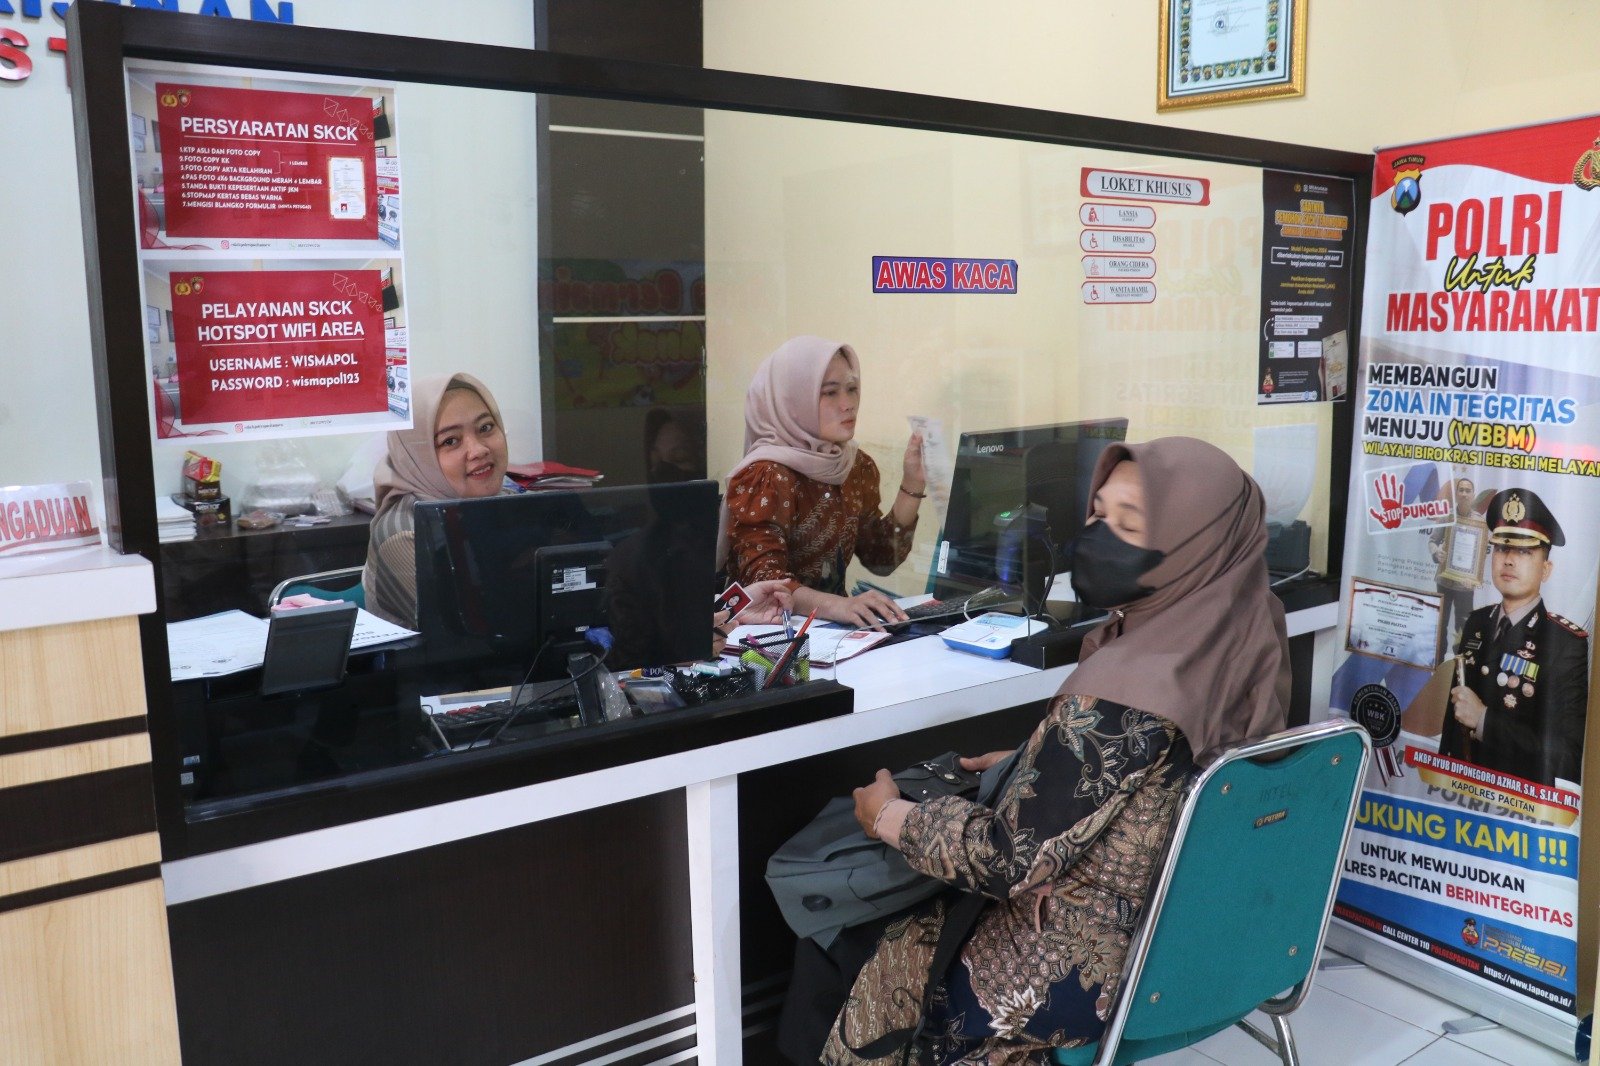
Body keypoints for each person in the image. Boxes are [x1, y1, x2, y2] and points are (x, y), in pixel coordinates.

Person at [791, 437, 1291, 1065]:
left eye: (1130, 522)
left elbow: (1005, 860)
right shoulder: (1245, 628)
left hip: (1084, 969)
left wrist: (889, 816)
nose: (1099, 535)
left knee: (858, 927)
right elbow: (1159, 775)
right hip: (1200, 935)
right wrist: (1042, 759)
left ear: (1197, 543)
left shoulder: (1132, 690)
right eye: (1098, 512)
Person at [724, 336, 926, 629]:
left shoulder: (854, 466)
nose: (848, 405)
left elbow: (880, 557)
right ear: (793, 401)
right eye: (830, 393)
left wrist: (913, 483)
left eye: (852, 389)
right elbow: (766, 581)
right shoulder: (767, 475)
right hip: (769, 635)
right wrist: (840, 605)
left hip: (834, 633)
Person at [1442, 487, 1588, 786]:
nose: (1508, 560)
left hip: (1518, 804)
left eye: (1524, 551)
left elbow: (1566, 755)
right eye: (1501, 548)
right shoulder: (1477, 622)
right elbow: (1453, 723)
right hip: (1459, 794)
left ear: (1546, 569)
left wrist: (1484, 720)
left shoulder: (1565, 644)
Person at [363, 373, 511, 628]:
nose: (479, 450)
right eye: (450, 441)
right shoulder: (405, 532)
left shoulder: (509, 503)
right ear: (418, 456)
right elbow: (476, 631)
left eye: (486, 428)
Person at [1428, 476, 1484, 662]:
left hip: (1465, 584)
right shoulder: (1447, 517)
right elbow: (1432, 541)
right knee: (1441, 622)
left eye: (1468, 490)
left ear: (1473, 494)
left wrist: (1475, 577)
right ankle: (1438, 663)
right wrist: (1436, 552)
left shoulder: (1480, 522)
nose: (1464, 494)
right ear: (1456, 494)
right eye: (1461, 490)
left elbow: (1481, 553)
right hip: (1444, 580)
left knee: (1463, 627)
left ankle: (1460, 664)